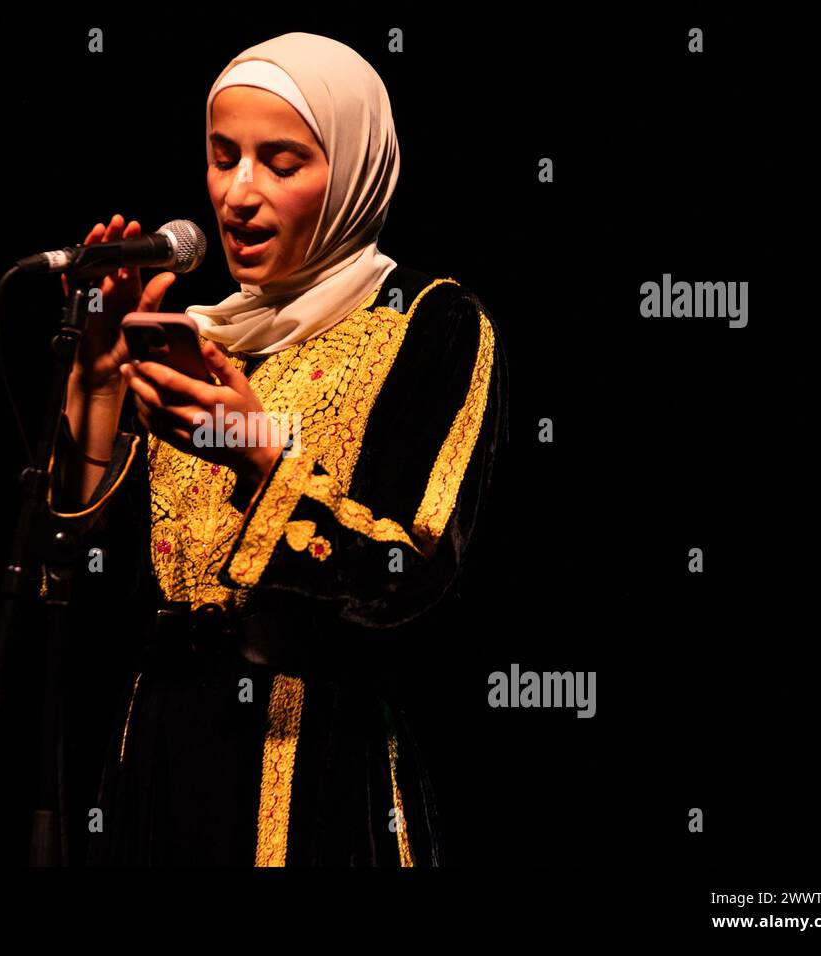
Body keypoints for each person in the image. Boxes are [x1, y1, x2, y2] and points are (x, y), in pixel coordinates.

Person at [52, 32, 509, 866]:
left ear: (356, 170)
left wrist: (259, 456)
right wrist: (96, 385)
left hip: (315, 761)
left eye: (283, 162)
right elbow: (88, 589)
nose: (239, 194)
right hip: (162, 756)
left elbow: (413, 581)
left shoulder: (428, 326)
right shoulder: (200, 336)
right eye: (223, 158)